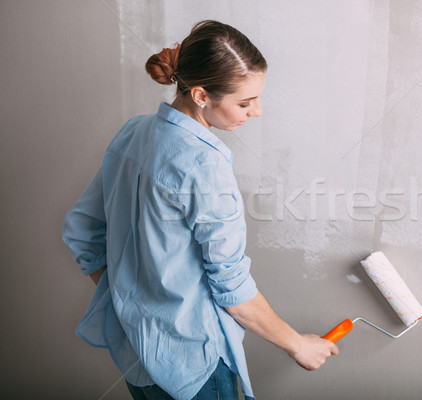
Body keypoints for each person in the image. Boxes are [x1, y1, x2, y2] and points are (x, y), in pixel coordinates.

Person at [62, 20, 338, 400]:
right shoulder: (203, 166)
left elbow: (81, 230)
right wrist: (297, 344)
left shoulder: (134, 131)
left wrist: (133, 301)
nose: (256, 111)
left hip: (137, 356)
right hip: (195, 366)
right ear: (201, 95)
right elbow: (233, 290)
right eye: (245, 102)